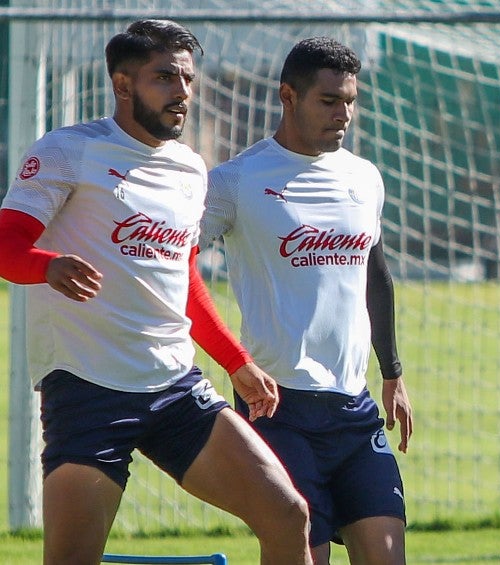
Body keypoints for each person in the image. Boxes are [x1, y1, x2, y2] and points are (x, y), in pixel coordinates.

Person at [0, 20, 311, 565]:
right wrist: (47, 267)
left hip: (175, 387)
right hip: (89, 389)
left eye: (187, 78)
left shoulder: (191, 169)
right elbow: (6, 246)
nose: (182, 91)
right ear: (123, 86)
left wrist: (234, 360)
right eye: (164, 77)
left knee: (288, 514)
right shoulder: (68, 151)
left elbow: (183, 277)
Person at [199, 37, 412, 565]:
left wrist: (393, 372)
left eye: (350, 101)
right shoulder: (236, 182)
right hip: (279, 408)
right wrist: (233, 358)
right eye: (329, 100)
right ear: (287, 96)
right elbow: (171, 265)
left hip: (354, 408)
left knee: (389, 556)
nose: (343, 114)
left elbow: (375, 274)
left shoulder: (364, 177)